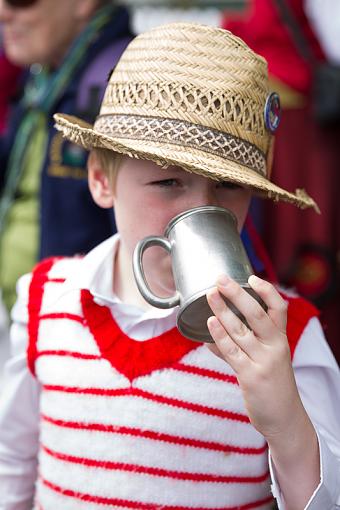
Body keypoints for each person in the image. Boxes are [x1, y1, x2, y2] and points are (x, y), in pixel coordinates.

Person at [0, 22, 339, 509]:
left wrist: (285, 419)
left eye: (227, 186)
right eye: (168, 183)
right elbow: (13, 466)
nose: (198, 210)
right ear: (100, 179)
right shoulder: (45, 300)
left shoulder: (288, 336)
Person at [222, 0, 340, 362]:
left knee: (305, 244)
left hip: (299, 131)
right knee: (269, 241)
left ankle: (310, 349)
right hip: (267, 126)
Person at [0, 0, 133, 313]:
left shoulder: (122, 83)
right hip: (26, 318)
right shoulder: (44, 76)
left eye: (21, 1)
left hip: (72, 328)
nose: (4, 12)